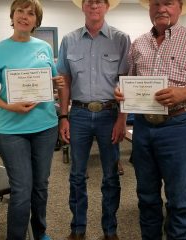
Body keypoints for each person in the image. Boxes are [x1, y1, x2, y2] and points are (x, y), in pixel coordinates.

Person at [114, 0, 186, 239]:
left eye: (168, 3)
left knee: (178, 199)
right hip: (142, 127)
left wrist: (183, 93)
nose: (161, 8)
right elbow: (128, 82)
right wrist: (122, 92)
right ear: (150, 8)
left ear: (180, 7)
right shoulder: (138, 43)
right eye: (156, 3)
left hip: (177, 126)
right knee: (147, 196)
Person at [0, 0, 64, 239]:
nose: (25, 16)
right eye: (20, 11)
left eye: (31, 13)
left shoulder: (44, 48)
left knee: (41, 185)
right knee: (21, 189)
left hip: (45, 127)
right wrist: (9, 105)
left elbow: (47, 82)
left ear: (36, 21)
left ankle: (40, 232)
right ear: (13, 15)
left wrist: (54, 83)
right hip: (11, 130)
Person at [56, 0, 131, 239]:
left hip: (109, 114)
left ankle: (110, 230)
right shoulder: (69, 40)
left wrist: (122, 119)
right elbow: (65, 81)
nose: (94, 6)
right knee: (77, 174)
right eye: (89, 1)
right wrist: (64, 116)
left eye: (99, 2)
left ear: (107, 6)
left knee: (110, 175)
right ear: (83, 7)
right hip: (77, 114)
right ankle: (78, 229)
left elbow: (125, 83)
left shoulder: (121, 39)